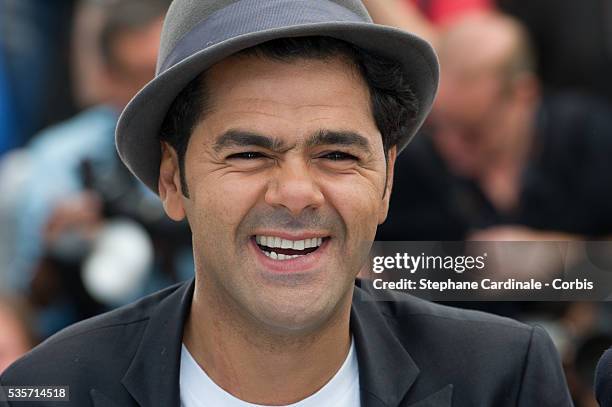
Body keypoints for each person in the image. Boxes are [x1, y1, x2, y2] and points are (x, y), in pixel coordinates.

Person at [1, 1, 572, 406]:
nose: (296, 193)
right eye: (249, 154)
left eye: (337, 155)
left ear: (388, 180)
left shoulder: (503, 378)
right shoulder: (48, 391)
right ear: (172, 180)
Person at [378, 12, 612, 241]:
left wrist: (561, 253)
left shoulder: (590, 140)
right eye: (436, 127)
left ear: (523, 96)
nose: (450, 148)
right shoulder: (414, 162)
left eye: (473, 133)